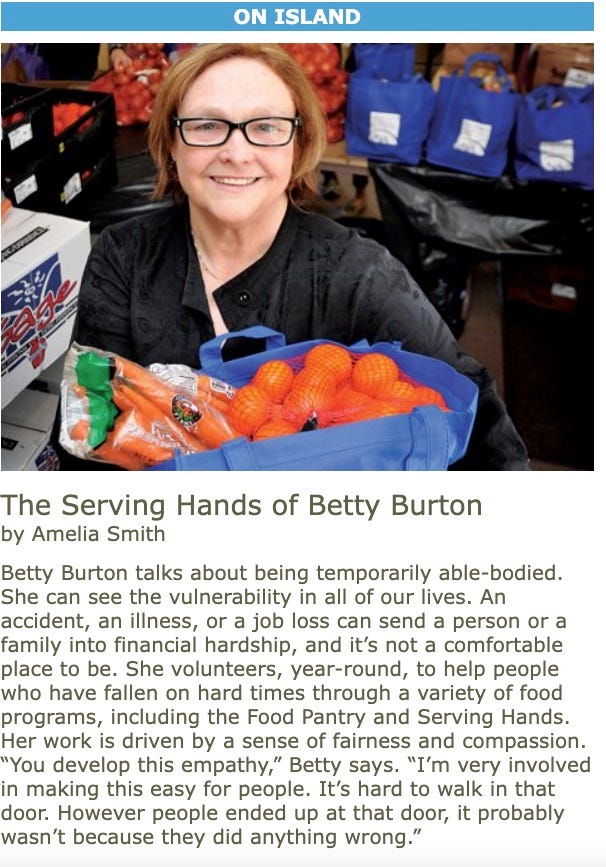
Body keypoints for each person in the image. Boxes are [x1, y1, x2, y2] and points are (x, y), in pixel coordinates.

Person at [72, 43, 528, 470]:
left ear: (299, 144)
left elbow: (485, 432)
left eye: (266, 127)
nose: (236, 152)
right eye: (207, 125)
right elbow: (91, 435)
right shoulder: (122, 257)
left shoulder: (360, 275)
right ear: (171, 146)